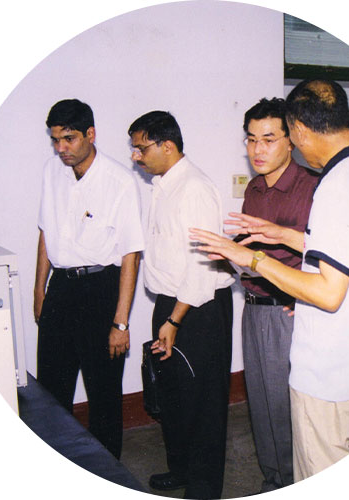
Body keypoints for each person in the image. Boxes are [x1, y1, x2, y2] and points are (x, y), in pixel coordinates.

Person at [190, 79, 349, 481]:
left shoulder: (334, 184)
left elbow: (327, 292)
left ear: (300, 132)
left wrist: (252, 258)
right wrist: (286, 236)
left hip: (335, 374)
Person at [128, 111, 234, 499]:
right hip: (171, 304)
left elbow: (202, 266)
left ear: (167, 146)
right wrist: (168, 315)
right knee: (174, 396)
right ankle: (182, 470)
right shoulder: (164, 185)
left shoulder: (194, 188)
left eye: (141, 148)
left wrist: (173, 321)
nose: (136, 156)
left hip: (198, 309)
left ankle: (204, 488)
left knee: (203, 402)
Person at [34, 98, 145, 459]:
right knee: (51, 390)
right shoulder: (52, 171)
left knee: (103, 394)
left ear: (90, 134)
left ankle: (107, 472)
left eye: (69, 139)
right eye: (55, 140)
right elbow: (45, 233)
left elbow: (130, 255)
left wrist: (121, 323)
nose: (61, 148)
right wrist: (39, 292)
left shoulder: (119, 181)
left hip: (101, 291)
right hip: (60, 288)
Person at [228, 98, 317, 492]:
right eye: (251, 140)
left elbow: (323, 253)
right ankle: (272, 480)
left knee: (288, 407)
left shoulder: (310, 187)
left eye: (268, 139)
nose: (257, 150)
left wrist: (305, 300)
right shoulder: (254, 189)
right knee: (261, 404)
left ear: (290, 140)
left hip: (289, 311)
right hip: (253, 307)